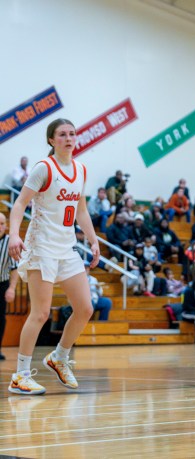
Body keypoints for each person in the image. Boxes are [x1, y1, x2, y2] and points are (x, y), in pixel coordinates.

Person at [7, 118, 100, 395]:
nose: (68, 138)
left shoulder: (81, 169)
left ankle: (59, 357)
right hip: (41, 248)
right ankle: (20, 375)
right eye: (62, 134)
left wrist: (93, 240)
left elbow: (81, 210)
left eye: (72, 134)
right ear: (51, 140)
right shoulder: (43, 168)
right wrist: (14, 234)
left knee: (85, 308)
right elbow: (20, 203)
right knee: (41, 312)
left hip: (67, 248)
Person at [0, 213, 19, 360]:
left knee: (1, 318)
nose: (0, 227)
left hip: (2, 284)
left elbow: (14, 268)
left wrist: (11, 288)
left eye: (2, 223)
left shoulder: (9, 242)